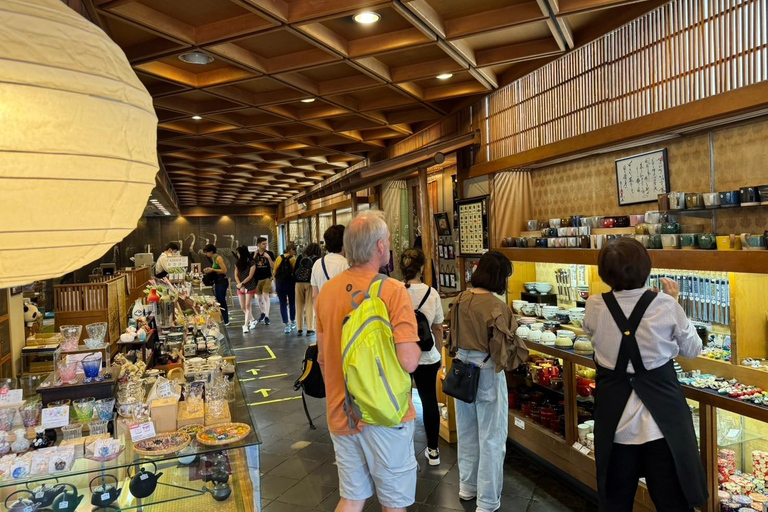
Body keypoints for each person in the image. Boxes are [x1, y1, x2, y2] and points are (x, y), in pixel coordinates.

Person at [583, 239, 707, 512]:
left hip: (615, 424)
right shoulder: (665, 304)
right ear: (645, 268)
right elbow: (693, 349)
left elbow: (594, 337)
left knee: (615, 503)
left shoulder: (594, 305)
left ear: (604, 273)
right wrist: (674, 303)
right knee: (673, 503)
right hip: (663, 427)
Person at [316, 210, 421, 512]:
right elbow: (410, 361)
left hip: (341, 411)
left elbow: (323, 358)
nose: (388, 246)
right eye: (387, 240)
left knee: (352, 496)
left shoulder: (327, 293)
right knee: (393, 503)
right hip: (384, 414)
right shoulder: (392, 290)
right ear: (379, 246)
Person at [448, 251, 528, 512]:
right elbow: (504, 352)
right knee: (492, 437)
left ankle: (467, 487)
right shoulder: (497, 306)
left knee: (467, 431)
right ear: (499, 277)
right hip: (487, 373)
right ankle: (488, 500)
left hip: (461, 371)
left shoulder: (460, 298)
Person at [399, 248, 444, 466]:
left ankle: (404, 451)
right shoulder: (432, 293)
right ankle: (433, 451)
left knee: (401, 401)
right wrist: (440, 353)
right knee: (429, 401)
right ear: (423, 268)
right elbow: (437, 328)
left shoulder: (394, 291)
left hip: (399, 355)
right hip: (427, 355)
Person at [311, 225, 348, 306]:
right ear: (344, 242)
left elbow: (315, 295)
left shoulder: (317, 264)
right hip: (342, 313)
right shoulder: (347, 265)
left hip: (324, 312)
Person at [294, 243, 321, 336]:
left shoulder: (300, 256)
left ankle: (299, 328)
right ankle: (310, 329)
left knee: (299, 306)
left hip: (298, 283)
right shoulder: (316, 259)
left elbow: (294, 271)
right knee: (310, 305)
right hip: (310, 283)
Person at [203, 244, 229, 326]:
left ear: (211, 252)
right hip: (218, 281)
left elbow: (224, 271)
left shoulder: (218, 258)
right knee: (220, 301)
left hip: (221, 282)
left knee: (221, 301)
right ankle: (223, 319)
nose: (206, 254)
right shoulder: (214, 259)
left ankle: (226, 320)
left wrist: (212, 269)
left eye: (206, 252)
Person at [273, 243, 297, 334]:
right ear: (290, 250)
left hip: (280, 283)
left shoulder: (279, 258)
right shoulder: (293, 260)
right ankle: (293, 321)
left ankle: (286, 324)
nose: (295, 252)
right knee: (292, 302)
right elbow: (295, 273)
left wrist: (275, 286)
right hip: (290, 284)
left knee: (282, 303)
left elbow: (275, 273)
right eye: (294, 250)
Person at [234, 246, 257, 333]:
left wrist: (243, 284)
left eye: (238, 253)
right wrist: (240, 285)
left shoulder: (252, 262)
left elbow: (250, 276)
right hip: (240, 286)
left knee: (247, 306)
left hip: (250, 286)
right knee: (242, 307)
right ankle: (252, 320)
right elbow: (236, 275)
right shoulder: (237, 263)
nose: (237, 255)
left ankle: (245, 325)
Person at [253, 237, 275, 325]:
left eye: (266, 244)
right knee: (259, 298)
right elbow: (251, 267)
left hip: (267, 277)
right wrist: (254, 257)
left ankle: (267, 316)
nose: (265, 245)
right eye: (263, 244)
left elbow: (273, 266)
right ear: (258, 245)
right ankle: (262, 312)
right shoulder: (254, 254)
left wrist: (269, 258)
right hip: (257, 278)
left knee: (266, 296)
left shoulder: (269, 253)